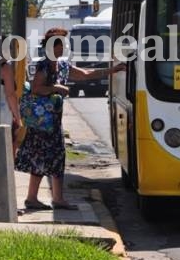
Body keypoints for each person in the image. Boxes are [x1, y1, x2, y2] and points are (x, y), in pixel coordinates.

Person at [15, 28, 125, 211]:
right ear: (53, 47)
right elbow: (36, 89)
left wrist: (112, 70)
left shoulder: (63, 65)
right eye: (62, 44)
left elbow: (86, 74)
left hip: (53, 122)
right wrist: (56, 88)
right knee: (47, 158)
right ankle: (42, 198)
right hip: (42, 122)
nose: (65, 47)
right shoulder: (43, 66)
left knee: (51, 159)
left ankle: (46, 198)